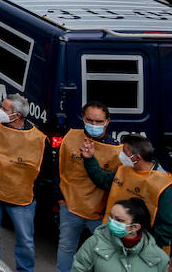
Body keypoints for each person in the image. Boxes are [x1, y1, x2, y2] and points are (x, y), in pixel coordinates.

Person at [0, 93, 44, 272]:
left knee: (25, 240)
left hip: (20, 198)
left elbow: (40, 170)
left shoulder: (36, 139)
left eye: (5, 109)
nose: (0, 112)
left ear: (17, 115)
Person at [81, 133, 172, 247]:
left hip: (145, 251)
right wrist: (89, 159)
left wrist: (142, 246)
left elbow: (169, 229)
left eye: (124, 152)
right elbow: (102, 180)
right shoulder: (124, 171)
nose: (120, 155)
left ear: (137, 157)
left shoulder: (163, 186)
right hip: (115, 241)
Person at [57, 102, 123, 272]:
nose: (93, 125)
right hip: (70, 207)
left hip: (98, 213)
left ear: (107, 122)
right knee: (66, 248)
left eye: (98, 121)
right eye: (89, 120)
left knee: (105, 253)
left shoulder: (116, 150)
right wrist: (60, 198)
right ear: (83, 118)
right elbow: (57, 168)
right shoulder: (70, 138)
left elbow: (115, 185)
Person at [70, 198, 167, 272]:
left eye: (119, 220)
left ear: (135, 227)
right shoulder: (94, 243)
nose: (111, 222)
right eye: (111, 217)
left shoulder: (158, 256)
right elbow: (78, 268)